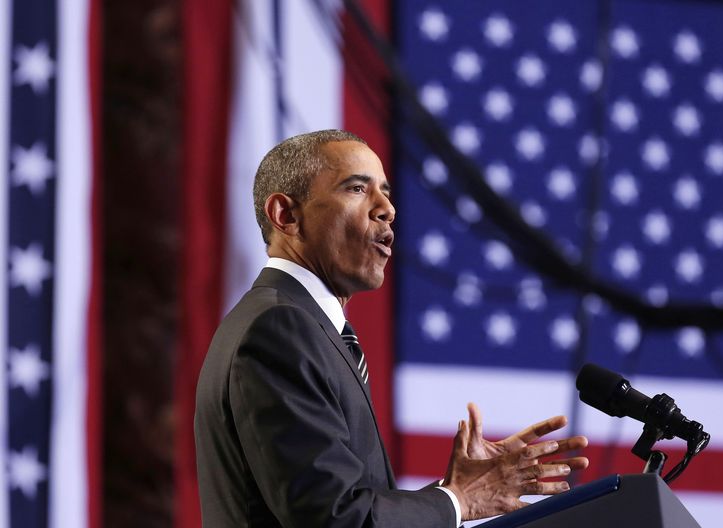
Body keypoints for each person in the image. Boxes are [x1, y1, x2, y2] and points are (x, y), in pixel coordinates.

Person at [194, 129, 589, 527]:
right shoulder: (279, 329)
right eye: (356, 189)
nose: (387, 209)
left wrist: (458, 492)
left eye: (385, 192)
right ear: (286, 216)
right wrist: (456, 500)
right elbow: (335, 520)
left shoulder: (303, 326)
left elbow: (341, 503)